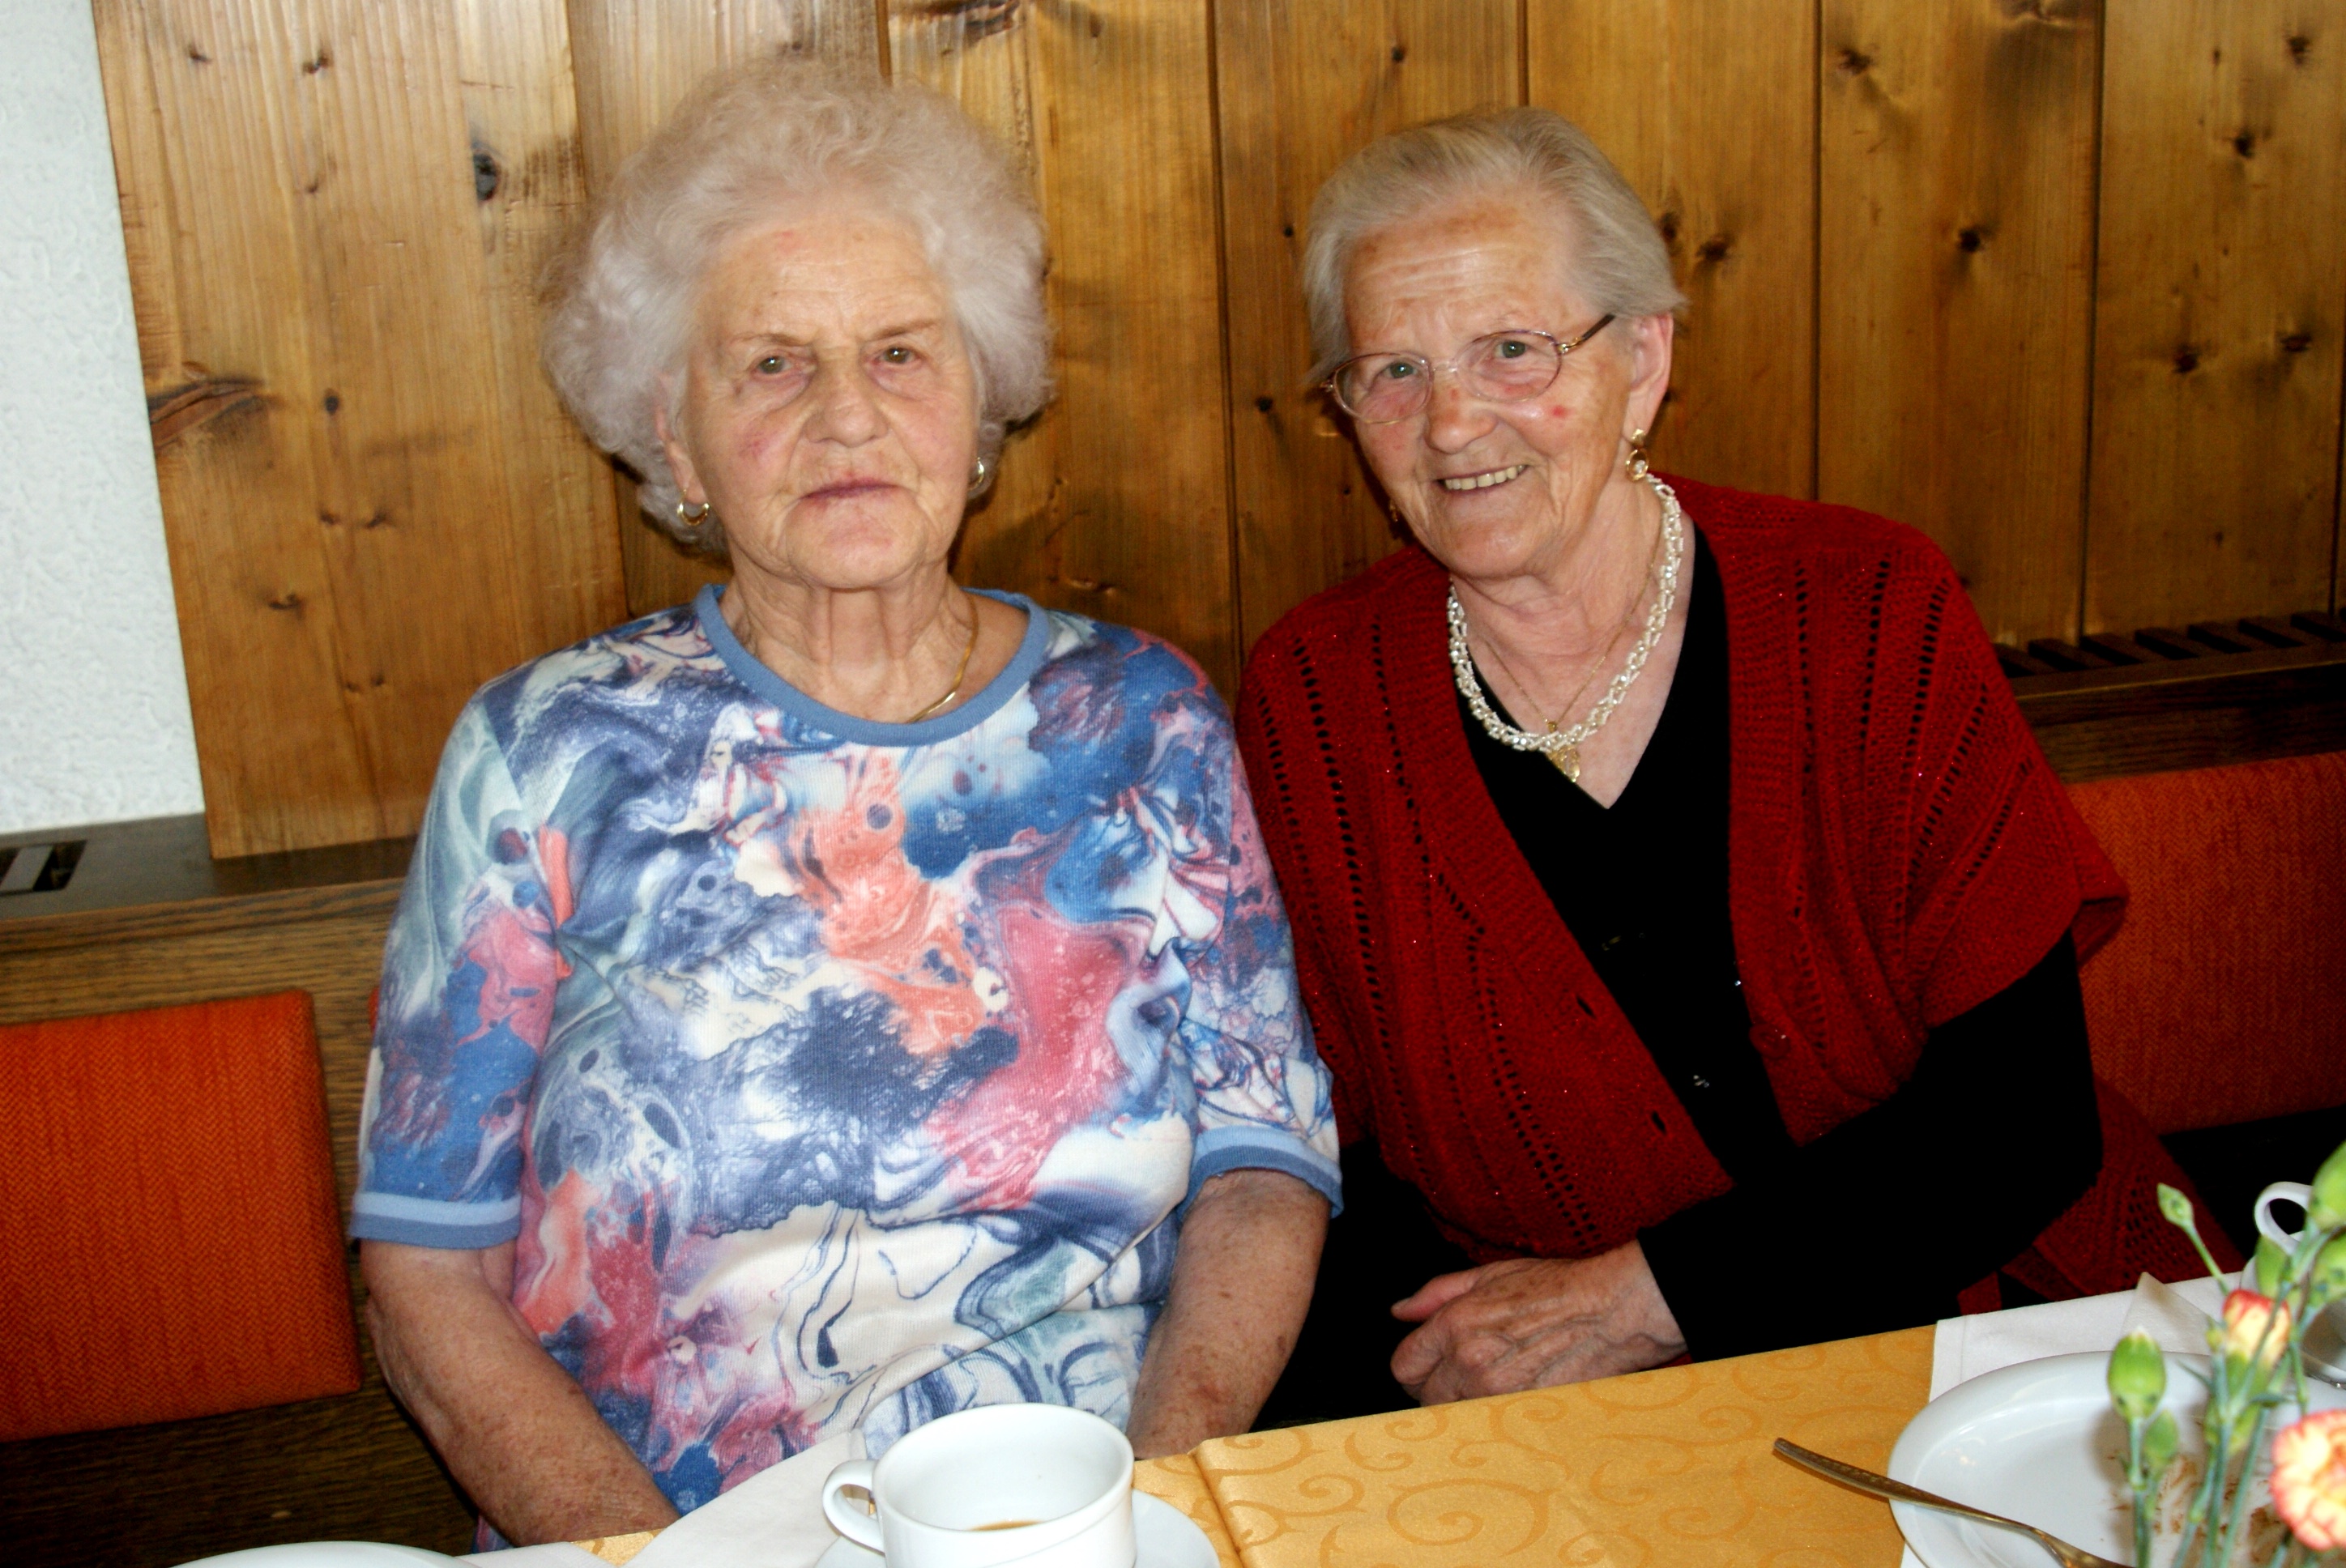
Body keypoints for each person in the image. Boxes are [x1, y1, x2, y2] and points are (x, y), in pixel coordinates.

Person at [350, 56, 1337, 1545]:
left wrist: (1139, 1503)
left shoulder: (1142, 720)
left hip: (1072, 1507)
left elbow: (1265, 1167)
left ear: (980, 404)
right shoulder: (546, 752)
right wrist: (652, 1562)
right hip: (674, 1526)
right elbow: (429, 1273)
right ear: (672, 433)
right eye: (771, 364)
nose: (847, 418)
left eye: (900, 354)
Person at [1236, 109, 2224, 1421]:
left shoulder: (1869, 612)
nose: (1454, 423)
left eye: (1513, 350)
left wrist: (1643, 1299)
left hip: (1979, 1320)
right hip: (1558, 1393)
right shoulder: (1316, 698)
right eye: (1393, 372)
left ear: (1643, 361)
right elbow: (1318, 1146)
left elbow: (2022, 1124)